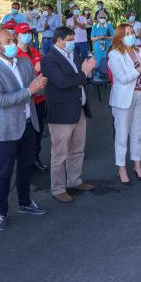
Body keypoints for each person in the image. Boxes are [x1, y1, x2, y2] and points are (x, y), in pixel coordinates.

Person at [0, 30, 48, 231]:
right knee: (4, 172)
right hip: (8, 129)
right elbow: (1, 101)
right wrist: (29, 90)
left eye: (13, 40)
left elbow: (37, 90)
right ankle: (1, 213)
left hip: (29, 123)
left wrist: (40, 85)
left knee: (25, 167)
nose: (13, 44)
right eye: (7, 41)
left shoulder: (24, 62)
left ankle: (25, 202)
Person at [40, 26, 96, 203]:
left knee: (77, 149)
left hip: (78, 109)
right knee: (60, 153)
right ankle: (58, 188)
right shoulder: (49, 60)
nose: (73, 43)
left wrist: (88, 74)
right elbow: (63, 82)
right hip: (61, 113)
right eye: (70, 40)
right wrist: (84, 74)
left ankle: (74, 180)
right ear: (59, 40)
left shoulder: (75, 56)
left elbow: (81, 78)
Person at [108, 23, 141, 185]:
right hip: (123, 100)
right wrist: (140, 68)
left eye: (132, 32)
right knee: (122, 135)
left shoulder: (138, 51)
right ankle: (121, 168)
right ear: (119, 37)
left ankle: (137, 165)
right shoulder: (114, 54)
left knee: (137, 134)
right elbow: (123, 78)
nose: (130, 35)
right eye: (126, 33)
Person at [15, 23, 49, 172]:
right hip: (25, 100)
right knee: (24, 133)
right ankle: (25, 162)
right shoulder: (14, 55)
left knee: (38, 131)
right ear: (17, 35)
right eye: (24, 33)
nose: (27, 35)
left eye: (29, 32)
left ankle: (35, 158)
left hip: (39, 99)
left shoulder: (35, 51)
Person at [91, 9, 114, 76]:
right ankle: (98, 76)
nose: (102, 18)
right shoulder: (95, 26)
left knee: (107, 61)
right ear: (98, 18)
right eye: (101, 17)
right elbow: (92, 38)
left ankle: (108, 75)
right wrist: (98, 37)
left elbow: (113, 37)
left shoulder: (109, 26)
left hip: (107, 48)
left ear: (106, 17)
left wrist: (105, 37)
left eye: (104, 17)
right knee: (98, 62)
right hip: (98, 48)